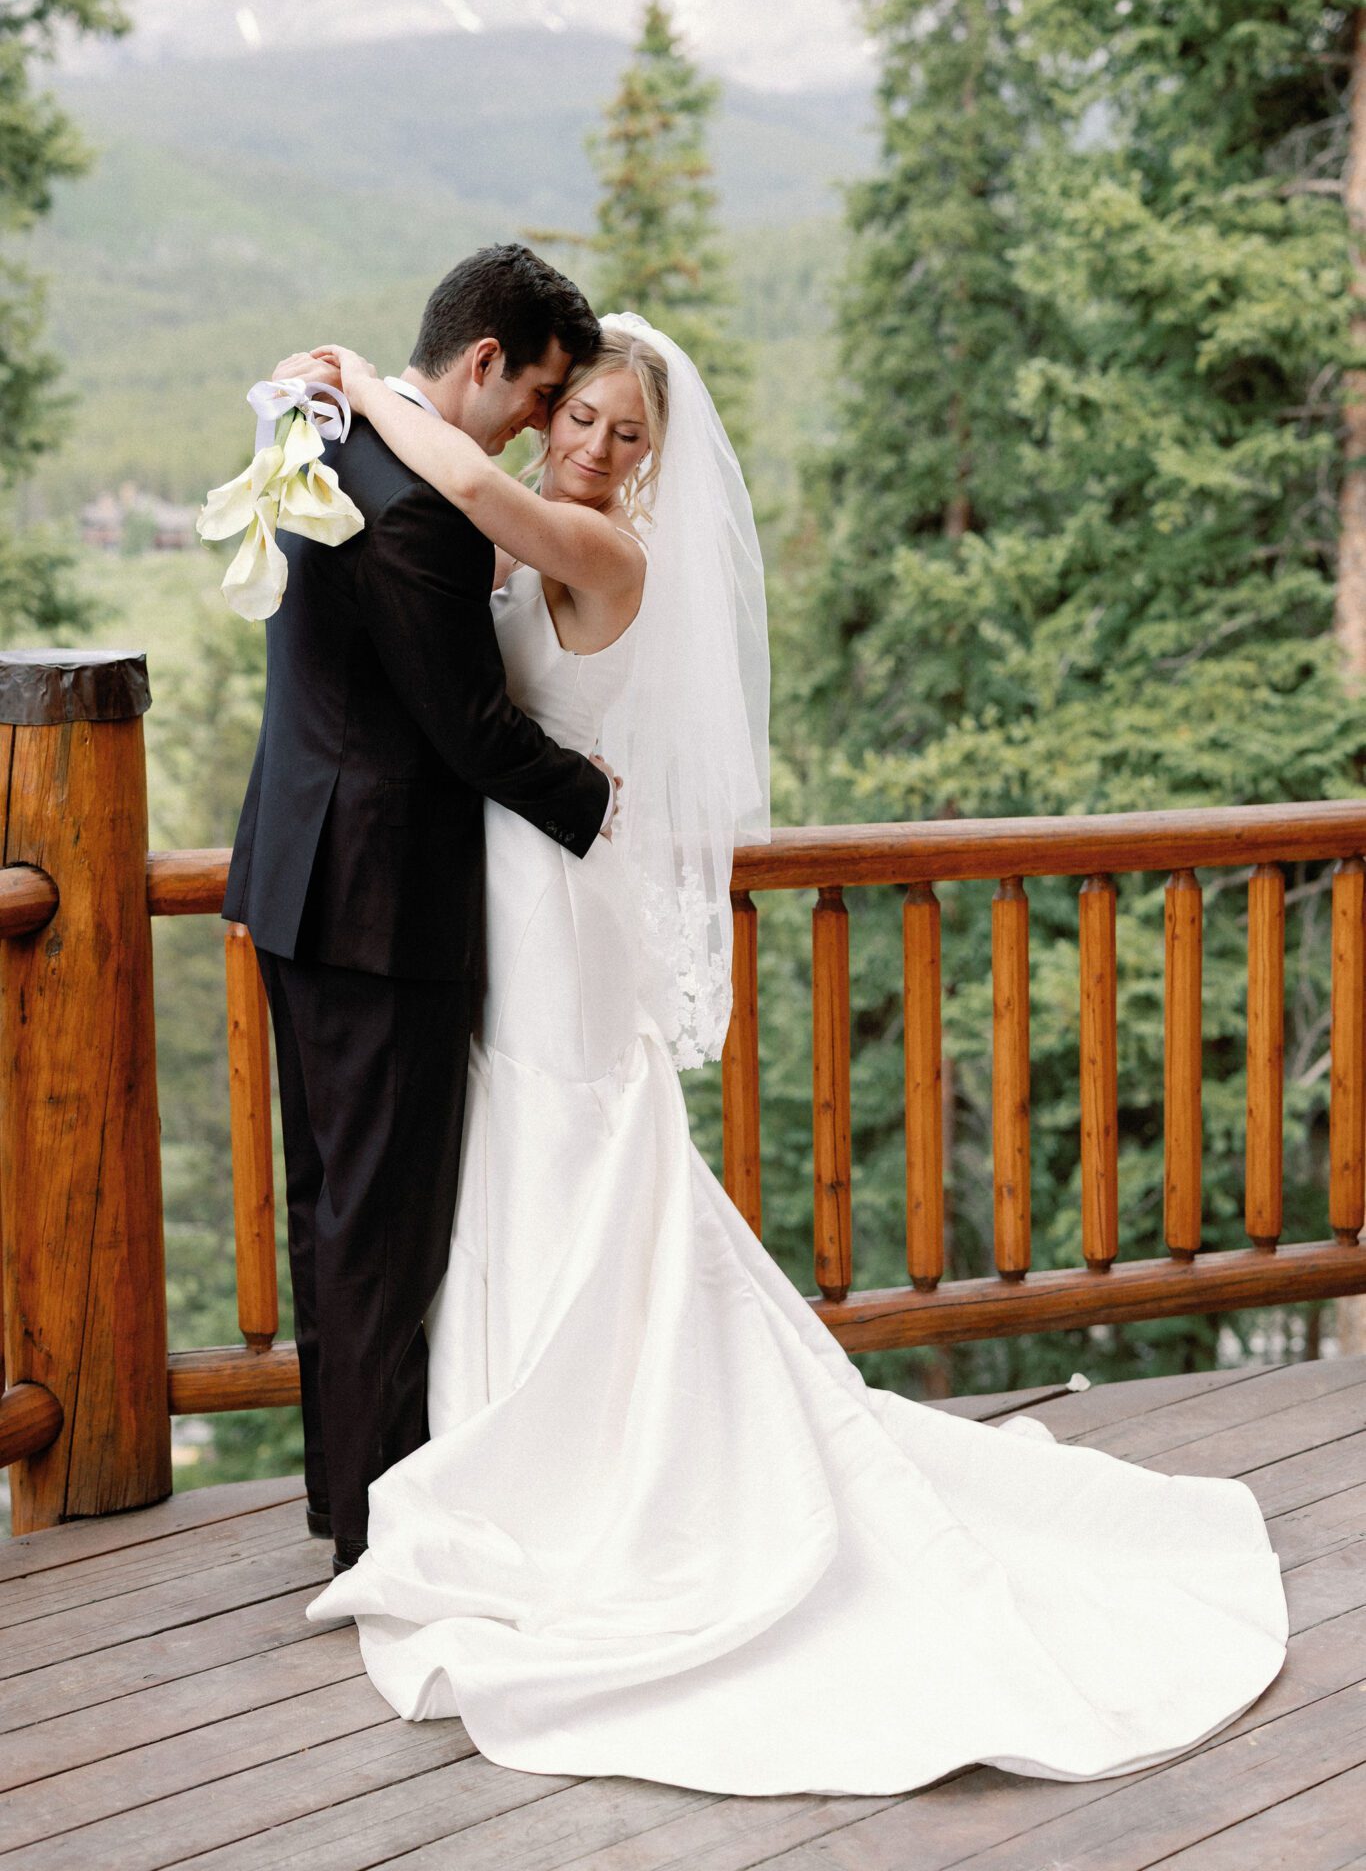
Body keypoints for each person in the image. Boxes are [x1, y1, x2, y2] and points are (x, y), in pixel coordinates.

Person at [291, 316, 1288, 1797]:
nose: (594, 448)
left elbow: (480, 501)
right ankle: (510, 1448)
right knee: (507, 1164)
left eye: (627, 435)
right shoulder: (549, 538)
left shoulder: (601, 551)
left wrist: (369, 387)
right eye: (580, 420)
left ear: (655, 462)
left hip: (560, 918)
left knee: (572, 1156)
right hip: (502, 892)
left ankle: (590, 1481)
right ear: (548, 407)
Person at [224, 244, 617, 1580]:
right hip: (385, 904)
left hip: (295, 874)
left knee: (334, 1208)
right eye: (537, 395)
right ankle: (379, 1539)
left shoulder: (316, 424)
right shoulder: (428, 509)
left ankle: (352, 1511)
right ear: (486, 360)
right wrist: (597, 801)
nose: (525, 429)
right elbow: (468, 733)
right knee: (380, 1231)